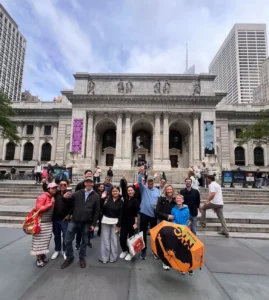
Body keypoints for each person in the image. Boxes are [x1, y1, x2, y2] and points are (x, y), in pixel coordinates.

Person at [61, 177, 100, 269]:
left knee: (85, 241)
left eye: (91, 182)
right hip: (74, 220)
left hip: (86, 222)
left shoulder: (96, 196)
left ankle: (82, 257)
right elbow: (68, 202)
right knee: (67, 240)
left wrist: (93, 224)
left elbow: (97, 211)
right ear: (85, 183)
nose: (89, 184)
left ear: (93, 184)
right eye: (87, 182)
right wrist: (64, 197)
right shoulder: (78, 193)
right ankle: (69, 257)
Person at [30, 182, 57, 267]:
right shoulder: (43, 197)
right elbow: (39, 208)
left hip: (48, 222)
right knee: (38, 241)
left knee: (45, 241)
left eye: (55, 188)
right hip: (41, 223)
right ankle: (38, 258)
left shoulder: (52, 197)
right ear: (48, 189)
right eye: (52, 188)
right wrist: (50, 204)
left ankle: (42, 255)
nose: (54, 189)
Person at [138, 166, 160, 260]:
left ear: (153, 182)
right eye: (149, 181)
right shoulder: (144, 189)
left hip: (153, 215)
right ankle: (143, 250)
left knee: (154, 234)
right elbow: (139, 182)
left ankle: (154, 250)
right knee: (142, 232)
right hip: (144, 214)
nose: (150, 183)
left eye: (152, 181)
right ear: (147, 182)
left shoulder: (157, 191)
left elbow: (159, 202)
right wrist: (140, 173)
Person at [99, 186, 123, 263]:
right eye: (113, 191)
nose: (115, 192)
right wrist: (102, 199)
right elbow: (102, 209)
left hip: (115, 223)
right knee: (105, 240)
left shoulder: (121, 201)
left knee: (114, 240)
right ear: (111, 192)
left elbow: (121, 214)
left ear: (119, 192)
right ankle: (104, 258)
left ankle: (113, 257)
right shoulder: (106, 199)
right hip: (105, 221)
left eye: (116, 191)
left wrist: (119, 225)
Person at [155, 184, 176, 270]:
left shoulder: (175, 200)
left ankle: (172, 259)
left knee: (172, 243)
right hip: (163, 223)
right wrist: (167, 216)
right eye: (168, 189)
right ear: (165, 191)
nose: (169, 191)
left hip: (173, 224)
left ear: (172, 190)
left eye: (170, 189)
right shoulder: (161, 199)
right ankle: (165, 261)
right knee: (164, 243)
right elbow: (157, 211)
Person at [119, 177, 139, 261]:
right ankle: (124, 250)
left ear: (134, 191)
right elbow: (123, 189)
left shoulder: (136, 200)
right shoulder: (126, 199)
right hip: (124, 222)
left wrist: (135, 223)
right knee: (122, 238)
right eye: (129, 190)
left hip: (132, 222)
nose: (130, 191)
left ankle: (131, 253)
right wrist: (123, 180)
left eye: (131, 190)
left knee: (131, 239)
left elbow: (136, 213)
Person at [171, 194, 193, 276]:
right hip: (177, 230)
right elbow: (173, 220)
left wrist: (185, 227)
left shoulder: (186, 209)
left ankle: (190, 267)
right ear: (175, 200)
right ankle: (182, 267)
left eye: (180, 198)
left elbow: (187, 220)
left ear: (183, 200)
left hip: (185, 230)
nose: (179, 200)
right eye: (177, 198)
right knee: (179, 250)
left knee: (187, 249)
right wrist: (176, 227)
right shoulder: (173, 209)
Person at [50, 180, 72, 261]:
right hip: (55, 219)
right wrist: (45, 183)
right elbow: (48, 190)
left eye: (64, 184)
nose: (62, 186)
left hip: (64, 219)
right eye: (61, 184)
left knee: (65, 236)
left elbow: (72, 206)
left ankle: (65, 251)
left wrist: (69, 215)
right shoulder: (56, 193)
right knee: (56, 236)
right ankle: (57, 250)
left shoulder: (70, 194)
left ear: (67, 185)